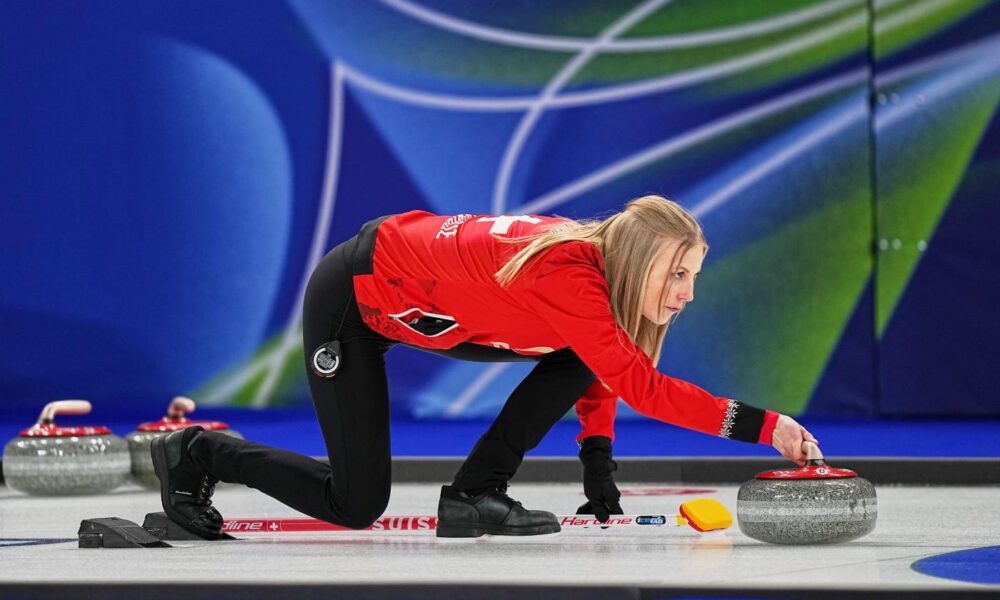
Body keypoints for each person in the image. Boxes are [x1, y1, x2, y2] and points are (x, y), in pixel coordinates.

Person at [151, 195, 817, 540]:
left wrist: (597, 466)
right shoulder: (572, 276)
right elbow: (639, 384)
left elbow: (601, 368)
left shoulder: (595, 272)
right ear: (638, 260)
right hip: (353, 301)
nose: (686, 293)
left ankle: (472, 495)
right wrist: (769, 427)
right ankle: (199, 453)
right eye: (676, 273)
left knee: (580, 358)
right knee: (354, 503)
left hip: (422, 302)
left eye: (693, 275)